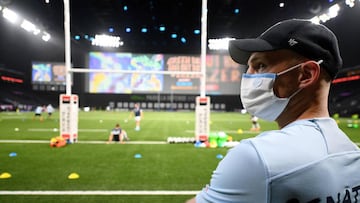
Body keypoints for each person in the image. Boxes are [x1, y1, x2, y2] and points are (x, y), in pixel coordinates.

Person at [186, 19, 360, 203]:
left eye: (260, 65)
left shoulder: (258, 157)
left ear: (306, 75)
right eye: (249, 68)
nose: (248, 76)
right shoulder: (353, 154)